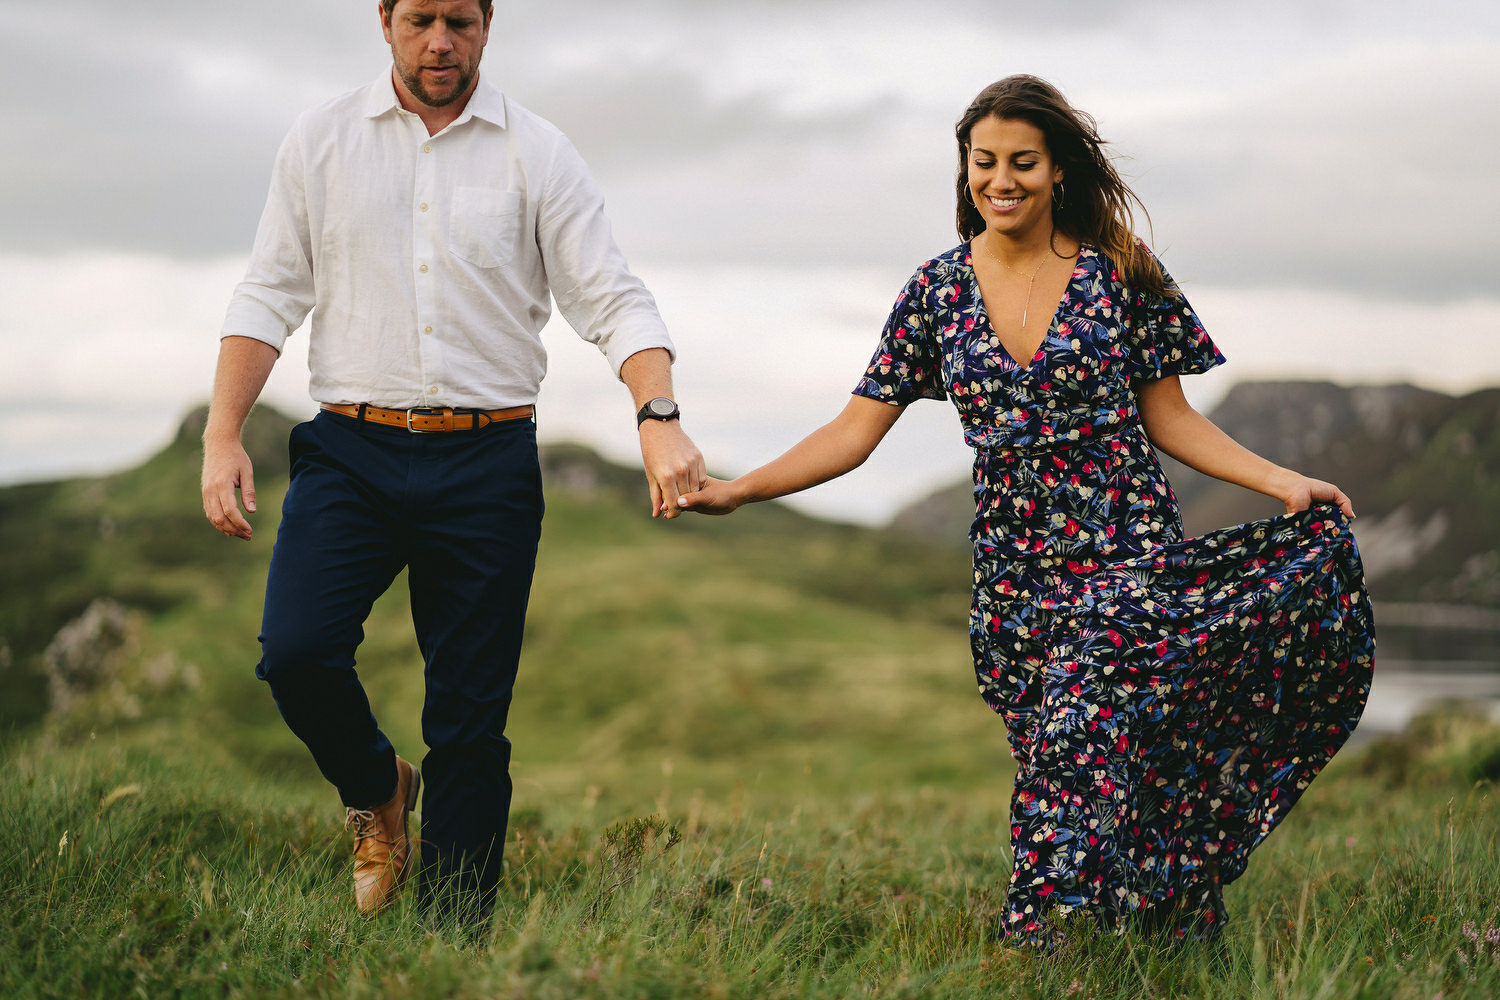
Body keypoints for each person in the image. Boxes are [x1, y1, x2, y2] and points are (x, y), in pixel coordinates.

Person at [679, 75, 1374, 946]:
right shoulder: (934, 292)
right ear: (966, 171)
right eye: (984, 162)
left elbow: (1171, 417)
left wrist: (1280, 483)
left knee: (1084, 732)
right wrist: (739, 489)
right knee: (1091, 765)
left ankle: (1038, 939)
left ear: (1057, 171)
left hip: (1127, 556)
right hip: (1012, 577)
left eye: (1021, 162)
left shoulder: (1119, 273)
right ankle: (1172, 939)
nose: (1000, 180)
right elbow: (856, 432)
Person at [200, 0, 706, 923]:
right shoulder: (319, 141)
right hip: (349, 450)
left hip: (487, 463)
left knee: (469, 720)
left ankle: (453, 937)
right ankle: (378, 789)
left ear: (488, 25)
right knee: (297, 652)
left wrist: (658, 411)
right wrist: (222, 432)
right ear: (384, 19)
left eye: (461, 22)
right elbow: (270, 288)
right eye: (422, 18)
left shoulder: (538, 151)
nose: (442, 41)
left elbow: (613, 296)